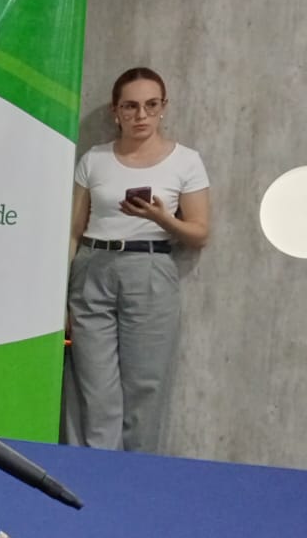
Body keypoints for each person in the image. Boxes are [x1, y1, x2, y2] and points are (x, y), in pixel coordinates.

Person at [67, 67, 210, 451]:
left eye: (151, 105)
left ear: (164, 107)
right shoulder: (94, 159)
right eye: (130, 106)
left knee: (146, 386)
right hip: (93, 267)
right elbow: (73, 231)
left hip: (150, 268)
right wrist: (60, 292)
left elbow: (199, 232)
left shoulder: (186, 161)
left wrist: (162, 218)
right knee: (94, 386)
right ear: (116, 111)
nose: (141, 115)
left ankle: (137, 475)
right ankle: (97, 474)